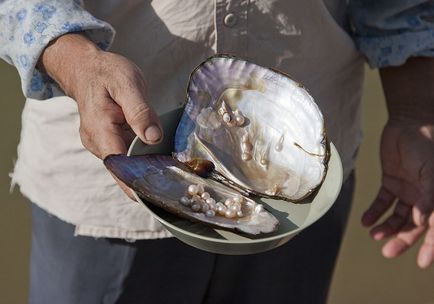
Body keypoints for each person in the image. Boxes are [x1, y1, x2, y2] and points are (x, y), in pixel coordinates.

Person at [1, 0, 433, 303]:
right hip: (104, 187)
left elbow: (402, 6)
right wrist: (77, 63)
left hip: (306, 181)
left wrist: (415, 112)